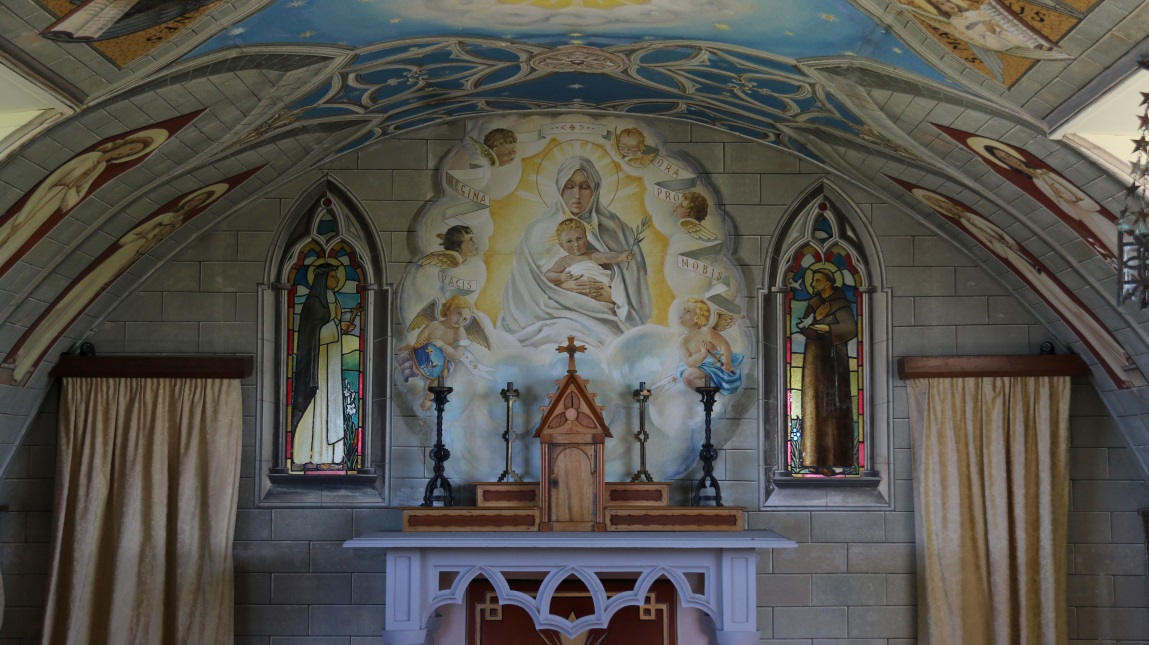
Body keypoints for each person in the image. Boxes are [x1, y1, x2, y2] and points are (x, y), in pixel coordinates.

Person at [3, 184, 222, 383]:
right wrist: (147, 235)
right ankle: (20, 360)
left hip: (131, 256)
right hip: (123, 254)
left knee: (82, 299)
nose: (194, 203)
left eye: (198, 202)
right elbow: (128, 239)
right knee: (78, 296)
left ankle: (23, 363)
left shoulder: (175, 223)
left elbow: (148, 247)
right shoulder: (166, 217)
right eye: (194, 201)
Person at [499, 155, 650, 348]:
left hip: (605, 315)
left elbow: (636, 290)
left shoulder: (616, 230)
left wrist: (609, 294)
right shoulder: (535, 232)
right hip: (549, 317)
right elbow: (523, 293)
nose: (577, 195)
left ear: (595, 189)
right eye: (569, 186)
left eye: (585, 187)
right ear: (559, 188)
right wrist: (567, 289)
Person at [0, 131, 165, 270]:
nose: (125, 153)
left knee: (23, 235)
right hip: (45, 197)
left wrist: (71, 192)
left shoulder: (100, 167)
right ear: (120, 144)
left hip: (52, 205)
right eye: (128, 148)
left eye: (131, 153)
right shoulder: (88, 158)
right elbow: (50, 181)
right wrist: (25, 213)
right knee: (14, 227)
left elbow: (79, 193)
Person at [979, 142, 1115, 258]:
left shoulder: (1044, 172)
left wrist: (1081, 201)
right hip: (1075, 211)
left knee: (1104, 226)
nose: (1010, 160)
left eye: (1008, 156)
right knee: (1100, 233)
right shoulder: (1036, 181)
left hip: (1083, 205)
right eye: (1004, 159)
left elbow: (1069, 187)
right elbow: (1057, 201)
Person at [291, 261, 358, 469]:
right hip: (317, 364)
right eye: (333, 276)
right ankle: (308, 454)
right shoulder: (314, 303)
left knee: (331, 405)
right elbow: (314, 335)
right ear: (322, 279)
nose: (337, 280)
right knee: (318, 405)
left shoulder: (333, 299)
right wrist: (339, 325)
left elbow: (329, 329)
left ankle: (329, 456)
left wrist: (341, 325)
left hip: (332, 361)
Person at [795, 266, 857, 470]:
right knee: (813, 404)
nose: (812, 285)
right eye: (812, 281)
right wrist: (812, 329)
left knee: (832, 405)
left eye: (817, 281)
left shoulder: (840, 303)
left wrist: (828, 329)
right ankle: (812, 459)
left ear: (829, 283)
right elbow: (804, 327)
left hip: (834, 360)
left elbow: (850, 328)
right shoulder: (814, 303)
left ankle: (834, 460)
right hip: (814, 358)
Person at [412, 295, 482, 410]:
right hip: (427, 357)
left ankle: (428, 398)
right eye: (458, 313)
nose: (460, 320)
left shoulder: (460, 332)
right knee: (416, 369)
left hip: (447, 360)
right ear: (449, 309)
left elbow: (456, 356)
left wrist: (442, 345)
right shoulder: (432, 326)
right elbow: (418, 344)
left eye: (465, 319)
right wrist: (417, 359)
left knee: (442, 371)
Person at [544, 217, 634, 305]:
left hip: (600, 290)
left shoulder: (591, 255)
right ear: (562, 245)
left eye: (579, 238)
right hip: (577, 293)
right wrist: (561, 277)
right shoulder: (565, 260)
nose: (576, 244)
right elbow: (547, 275)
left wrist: (621, 256)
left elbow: (605, 257)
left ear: (586, 238)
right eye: (569, 241)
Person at [677, 297, 742, 394]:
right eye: (684, 309)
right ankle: (709, 396)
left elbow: (724, 344)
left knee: (688, 376)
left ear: (697, 318)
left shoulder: (706, 332)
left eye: (688, 311)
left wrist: (727, 361)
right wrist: (702, 354)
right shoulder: (682, 340)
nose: (683, 313)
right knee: (687, 377)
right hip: (697, 365)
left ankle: (710, 396)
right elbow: (689, 363)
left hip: (714, 364)